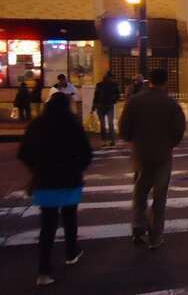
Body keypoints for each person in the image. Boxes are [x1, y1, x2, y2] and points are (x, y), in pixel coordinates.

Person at [17, 92, 92, 287]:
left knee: (47, 225)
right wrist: (77, 167)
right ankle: (71, 252)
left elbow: (23, 153)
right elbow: (86, 154)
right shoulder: (73, 124)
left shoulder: (37, 124)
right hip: (70, 178)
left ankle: (44, 271)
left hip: (45, 179)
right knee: (70, 217)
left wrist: (35, 168)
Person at [119, 69, 186, 250]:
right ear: (165, 82)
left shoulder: (135, 101)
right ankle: (156, 236)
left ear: (149, 81)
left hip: (141, 153)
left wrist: (133, 140)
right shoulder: (171, 104)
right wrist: (170, 143)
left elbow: (124, 129)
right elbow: (179, 129)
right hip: (163, 154)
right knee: (159, 196)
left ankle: (138, 228)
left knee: (140, 192)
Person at [92, 72, 121, 148]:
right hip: (105, 106)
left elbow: (96, 96)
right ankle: (109, 141)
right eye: (111, 77)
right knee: (108, 124)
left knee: (105, 124)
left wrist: (93, 107)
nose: (112, 79)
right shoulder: (112, 85)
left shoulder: (101, 85)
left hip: (103, 106)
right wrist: (114, 100)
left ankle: (106, 141)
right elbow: (96, 96)